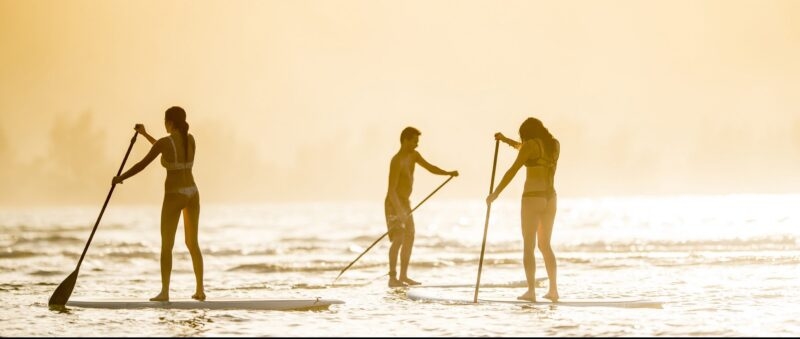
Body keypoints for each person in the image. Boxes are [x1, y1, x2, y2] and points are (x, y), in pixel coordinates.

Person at [112, 106, 205, 301]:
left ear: (169, 122)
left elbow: (142, 164)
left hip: (174, 195)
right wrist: (145, 134)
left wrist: (121, 178)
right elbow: (164, 150)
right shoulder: (190, 139)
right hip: (193, 194)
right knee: (192, 243)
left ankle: (165, 292)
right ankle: (200, 290)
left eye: (165, 121)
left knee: (166, 246)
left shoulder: (165, 142)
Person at [485, 117, 560, 302]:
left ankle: (531, 291)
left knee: (529, 246)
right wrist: (505, 140)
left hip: (532, 198)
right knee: (545, 246)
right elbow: (523, 148)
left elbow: (512, 170)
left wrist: (496, 193)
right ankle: (553, 290)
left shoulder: (530, 146)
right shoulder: (554, 145)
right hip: (550, 198)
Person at [385, 127, 458, 287]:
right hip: (393, 203)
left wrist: (448, 173)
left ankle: (403, 276)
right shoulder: (396, 161)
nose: (416, 145)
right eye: (414, 141)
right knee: (399, 238)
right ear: (405, 141)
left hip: (405, 202)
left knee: (409, 237)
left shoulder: (414, 156)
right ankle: (392, 278)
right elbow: (391, 191)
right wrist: (399, 211)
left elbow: (430, 167)